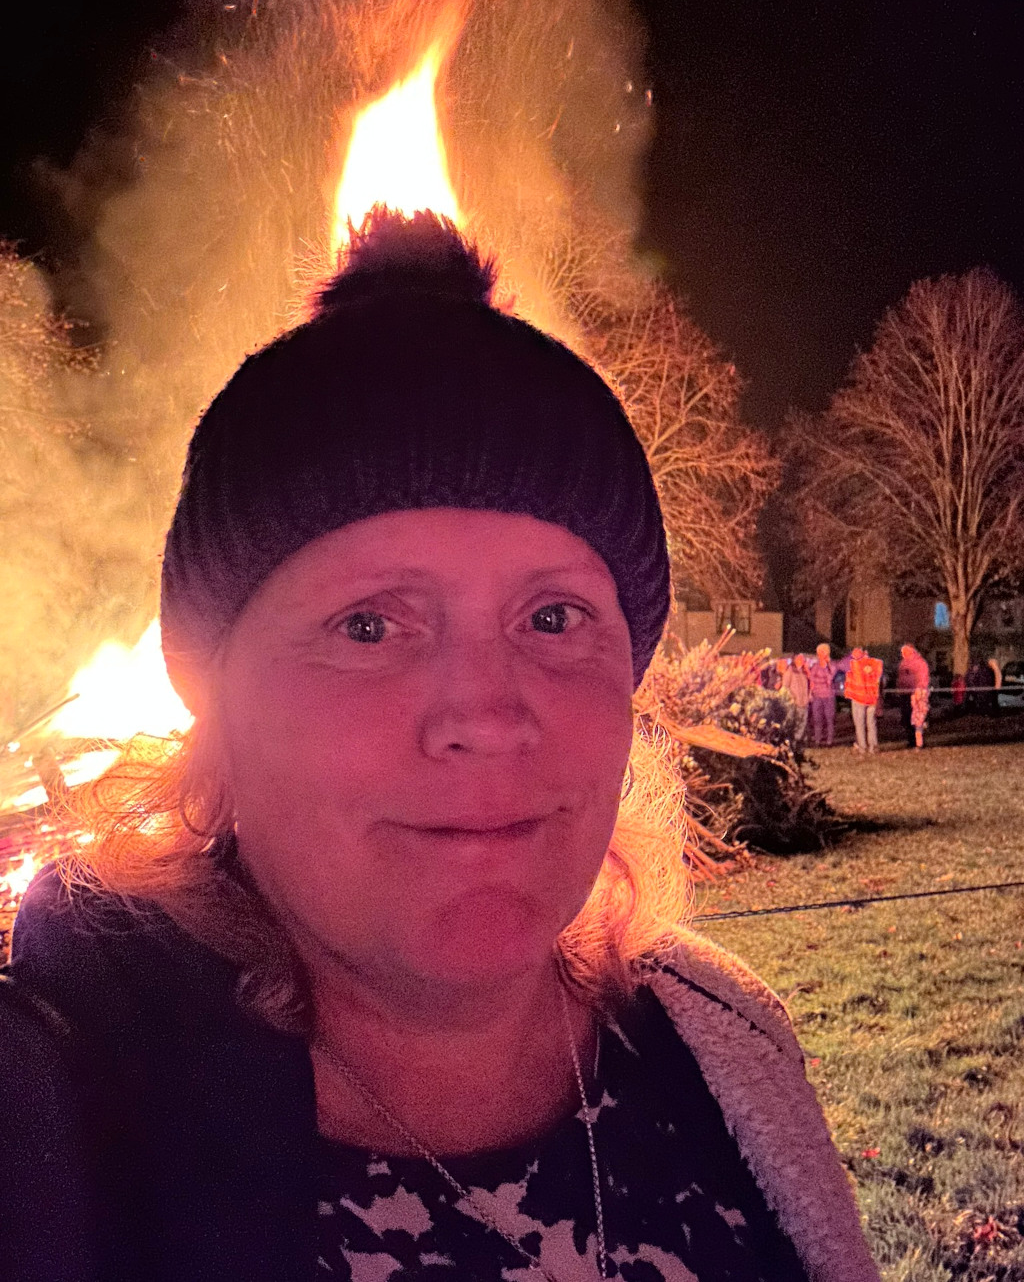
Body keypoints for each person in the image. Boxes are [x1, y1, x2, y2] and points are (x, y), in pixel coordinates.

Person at [2, 213, 879, 1282]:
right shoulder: (56, 1130)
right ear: (215, 719)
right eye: (368, 625)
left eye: (553, 619)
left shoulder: (723, 1048)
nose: (487, 714)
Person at [844, 647, 884, 754]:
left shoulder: (854, 664)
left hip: (858, 697)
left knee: (859, 723)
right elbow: (879, 676)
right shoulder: (875, 663)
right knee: (871, 723)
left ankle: (862, 747)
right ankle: (873, 746)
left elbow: (842, 668)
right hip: (872, 698)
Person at [897, 643, 930, 749]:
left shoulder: (920, 663)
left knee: (917, 718)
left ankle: (919, 741)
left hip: (916, 694)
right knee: (907, 718)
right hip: (905, 693)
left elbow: (923, 678)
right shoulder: (903, 663)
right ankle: (911, 740)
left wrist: (920, 690)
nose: (903, 654)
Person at [806, 642, 839, 747]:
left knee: (829, 718)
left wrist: (827, 665)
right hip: (817, 696)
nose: (820, 654)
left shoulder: (832, 665)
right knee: (817, 719)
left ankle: (830, 740)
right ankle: (817, 739)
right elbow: (811, 679)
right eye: (819, 652)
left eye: (822, 652)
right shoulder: (815, 666)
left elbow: (829, 678)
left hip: (828, 696)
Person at [780, 653, 811, 746]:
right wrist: (791, 698)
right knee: (795, 723)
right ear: (795, 659)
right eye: (800, 658)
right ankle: (793, 742)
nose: (803, 660)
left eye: (803, 659)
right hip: (795, 703)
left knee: (803, 723)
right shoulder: (790, 671)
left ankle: (799, 741)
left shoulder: (803, 672)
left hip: (804, 702)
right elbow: (785, 687)